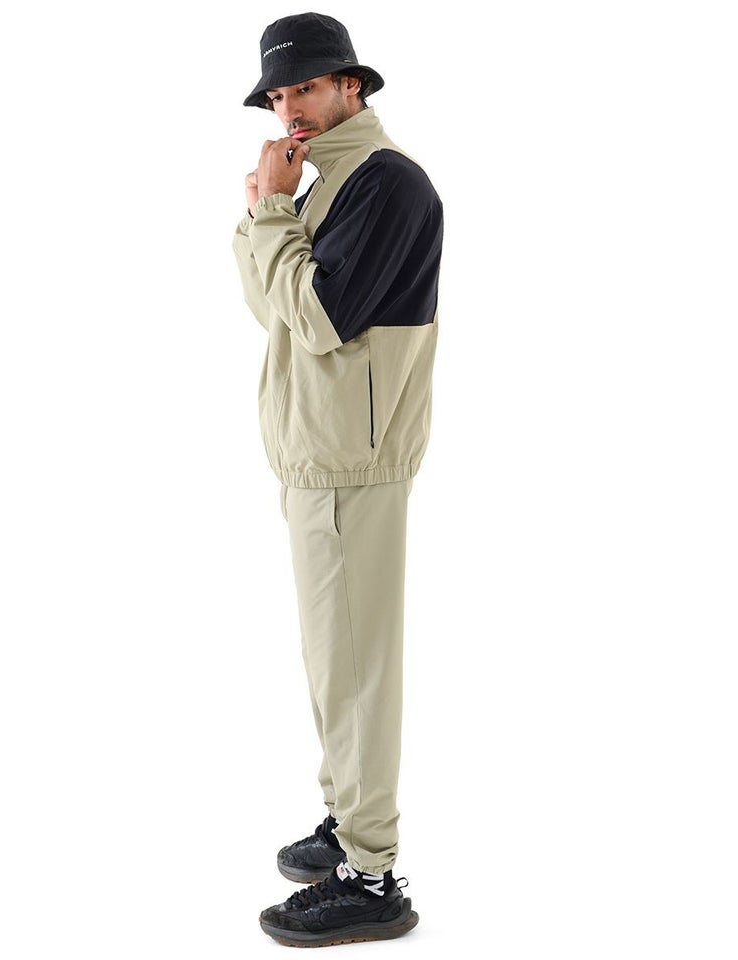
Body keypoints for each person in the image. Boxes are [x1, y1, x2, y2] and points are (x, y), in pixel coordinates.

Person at [232, 12, 443, 948]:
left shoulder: (385, 183)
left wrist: (271, 213)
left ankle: (372, 871)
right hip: (321, 457)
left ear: (351, 86)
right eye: (279, 94)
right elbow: (273, 309)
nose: (291, 107)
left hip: (352, 465)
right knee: (334, 661)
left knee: (356, 669)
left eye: (307, 87)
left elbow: (314, 316)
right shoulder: (331, 183)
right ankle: (344, 818)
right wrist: (266, 211)